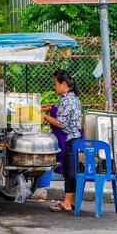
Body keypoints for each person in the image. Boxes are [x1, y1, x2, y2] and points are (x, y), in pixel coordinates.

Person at [42, 70, 82, 212]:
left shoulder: (69, 99)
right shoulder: (67, 98)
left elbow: (61, 123)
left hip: (69, 140)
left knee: (70, 171)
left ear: (63, 83)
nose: (54, 86)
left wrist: (44, 116)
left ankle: (67, 202)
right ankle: (70, 201)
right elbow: (63, 112)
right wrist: (52, 108)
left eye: (55, 83)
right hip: (69, 139)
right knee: (68, 171)